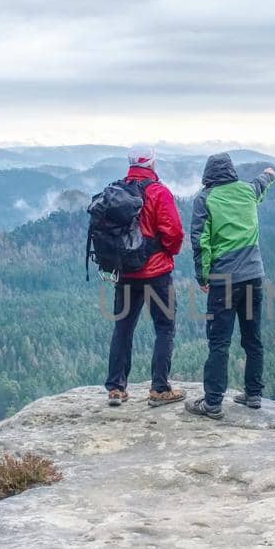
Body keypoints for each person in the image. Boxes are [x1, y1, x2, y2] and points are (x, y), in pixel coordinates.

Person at [186, 153, 275, 419]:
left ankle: (213, 402)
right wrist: (270, 172)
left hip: (223, 280)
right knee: (253, 337)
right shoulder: (248, 191)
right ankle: (253, 393)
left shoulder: (205, 200)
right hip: (253, 276)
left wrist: (203, 278)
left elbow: (200, 241)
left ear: (208, 176)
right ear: (231, 171)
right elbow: (265, 179)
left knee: (219, 341)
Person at [105, 147, 185, 408]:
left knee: (123, 327)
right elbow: (174, 232)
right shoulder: (158, 192)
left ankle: (116, 389)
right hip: (157, 273)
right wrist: (166, 253)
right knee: (164, 326)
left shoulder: (118, 191)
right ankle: (159, 388)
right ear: (152, 163)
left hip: (126, 272)